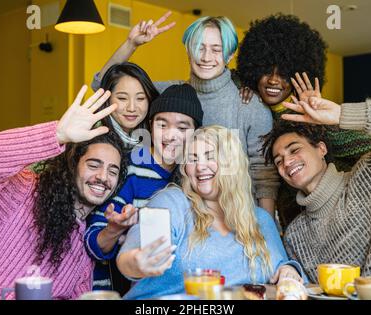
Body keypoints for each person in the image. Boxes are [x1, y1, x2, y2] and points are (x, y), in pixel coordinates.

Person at [91, 12, 279, 215]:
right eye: (199, 47)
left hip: (237, 218)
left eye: (217, 50)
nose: (206, 57)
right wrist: (131, 44)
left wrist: (265, 226)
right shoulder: (170, 95)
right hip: (185, 216)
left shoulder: (250, 105)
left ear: (230, 55)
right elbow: (103, 85)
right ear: (188, 50)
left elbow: (264, 175)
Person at [0, 86, 136, 300]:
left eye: (113, 171)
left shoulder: (85, 246)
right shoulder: (25, 194)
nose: (103, 176)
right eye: (94, 165)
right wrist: (57, 134)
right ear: (73, 165)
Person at [116, 125, 306, 300]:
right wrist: (136, 262)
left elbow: (285, 273)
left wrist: (289, 269)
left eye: (210, 156)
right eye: (192, 159)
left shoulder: (260, 219)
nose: (200, 166)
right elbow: (130, 256)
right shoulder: (172, 203)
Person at [236, 14, 371, 227]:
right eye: (265, 70)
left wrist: (320, 122)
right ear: (253, 69)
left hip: (345, 217)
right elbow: (220, 77)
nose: (274, 79)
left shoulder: (311, 113)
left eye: (284, 73)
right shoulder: (249, 105)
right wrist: (240, 82)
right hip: (293, 230)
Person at [261, 95, 371, 295]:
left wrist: (342, 114)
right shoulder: (295, 236)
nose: (287, 163)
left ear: (321, 148)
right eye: (279, 161)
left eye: (294, 150)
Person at [85, 84, 203, 292]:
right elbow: (94, 242)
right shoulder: (129, 168)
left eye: (182, 128)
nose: (170, 136)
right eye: (162, 125)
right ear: (150, 126)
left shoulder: (198, 175)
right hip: (121, 289)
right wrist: (114, 230)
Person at [98, 62, 159, 151]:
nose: (131, 108)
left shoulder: (154, 134)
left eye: (140, 98)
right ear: (107, 99)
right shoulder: (96, 138)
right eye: (122, 98)